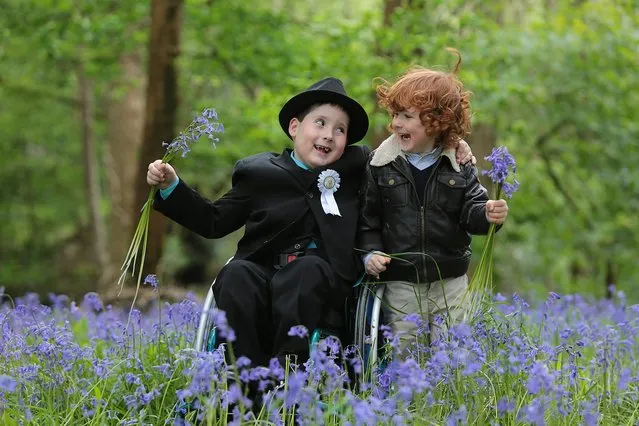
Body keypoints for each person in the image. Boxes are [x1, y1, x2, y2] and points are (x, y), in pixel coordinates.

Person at [146, 77, 475, 370]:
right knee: (235, 274)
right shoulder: (258, 173)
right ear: (294, 127)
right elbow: (214, 221)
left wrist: (451, 144)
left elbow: (408, 147)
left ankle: (290, 376)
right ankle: (242, 378)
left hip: (321, 277)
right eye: (320, 123)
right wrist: (171, 187)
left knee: (306, 272)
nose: (329, 136)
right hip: (264, 271)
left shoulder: (359, 165)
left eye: (340, 130)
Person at [357, 51, 509, 351]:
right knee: (406, 350)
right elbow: (368, 220)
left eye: (407, 116)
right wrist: (369, 253)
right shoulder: (379, 165)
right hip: (401, 281)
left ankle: (448, 398)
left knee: (452, 352)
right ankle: (408, 399)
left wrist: (488, 213)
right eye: (395, 115)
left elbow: (471, 211)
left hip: (450, 279)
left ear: (438, 122)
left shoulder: (458, 164)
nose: (397, 124)